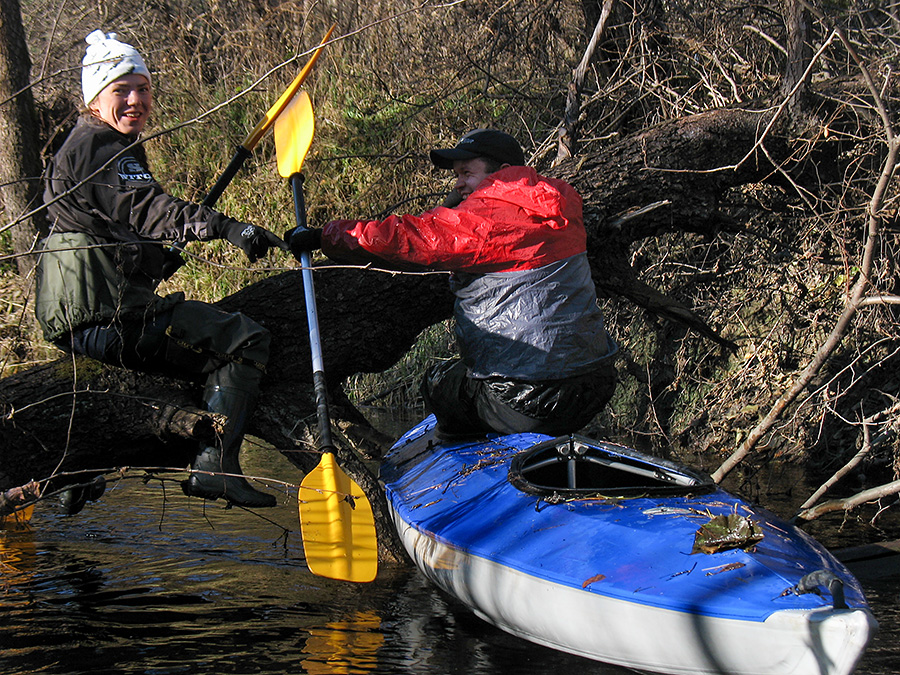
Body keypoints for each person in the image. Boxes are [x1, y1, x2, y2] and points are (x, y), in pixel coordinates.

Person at [36, 30, 286, 509]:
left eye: (143, 88)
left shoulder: (82, 143)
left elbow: (107, 225)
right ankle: (214, 469)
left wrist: (153, 257)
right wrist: (227, 228)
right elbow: (150, 208)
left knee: (174, 359)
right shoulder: (101, 145)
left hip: (77, 318)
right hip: (106, 318)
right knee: (244, 340)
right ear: (94, 98)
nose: (136, 100)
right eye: (121, 90)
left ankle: (79, 473)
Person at [287, 128, 617, 437]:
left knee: (437, 385)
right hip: (596, 385)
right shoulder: (563, 203)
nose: (458, 184)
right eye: (457, 175)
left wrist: (323, 236)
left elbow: (403, 238)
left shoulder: (482, 220)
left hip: (525, 399)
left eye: (466, 173)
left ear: (503, 171)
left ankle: (465, 465)